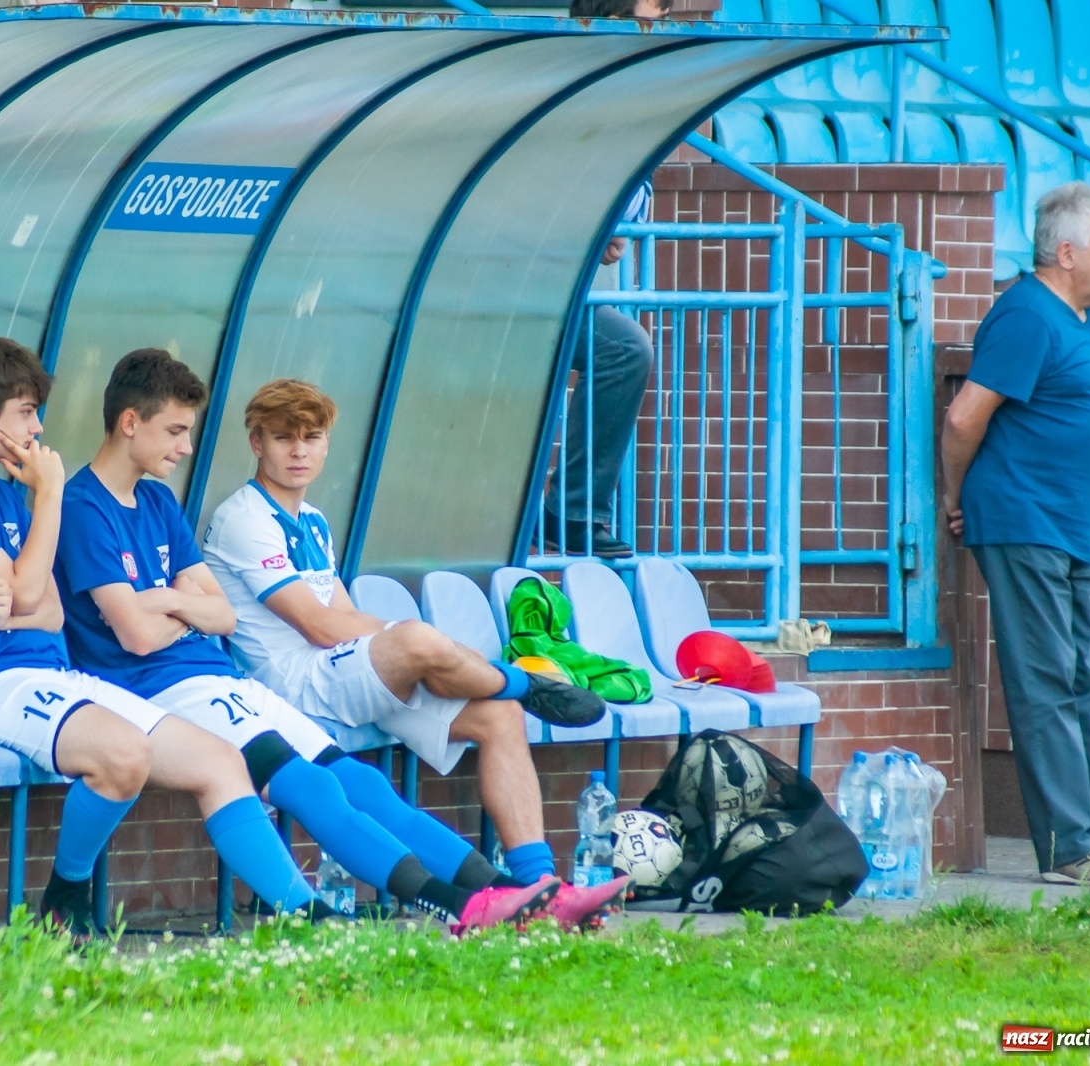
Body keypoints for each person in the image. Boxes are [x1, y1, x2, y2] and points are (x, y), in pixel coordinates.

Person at [56, 349, 630, 931]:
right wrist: (187, 608)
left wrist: (171, 602)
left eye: (313, 438)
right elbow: (136, 635)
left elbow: (221, 615)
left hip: (219, 677)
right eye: (176, 431)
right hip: (161, 688)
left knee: (360, 783)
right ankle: (461, 905)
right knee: (311, 784)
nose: (185, 448)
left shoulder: (158, 499)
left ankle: (519, 893)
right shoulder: (84, 506)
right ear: (131, 422)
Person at [0, 336, 332, 937]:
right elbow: (29, 593)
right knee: (123, 754)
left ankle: (305, 915)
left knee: (221, 759)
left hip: (51, 674)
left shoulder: (1, 495)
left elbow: (48, 612)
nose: (38, 429)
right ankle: (64, 901)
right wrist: (48, 497)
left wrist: (16, 602)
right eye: (27, 412)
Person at [204, 378, 609, 897]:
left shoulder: (313, 520)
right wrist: (412, 643)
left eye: (312, 437)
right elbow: (319, 626)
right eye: (283, 438)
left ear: (327, 444)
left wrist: (422, 650)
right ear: (256, 443)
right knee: (417, 640)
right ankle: (525, 684)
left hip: (339, 674)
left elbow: (343, 613)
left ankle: (540, 886)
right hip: (292, 686)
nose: (299, 451)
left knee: (498, 716)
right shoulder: (244, 518)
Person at [941, 182, 1090, 889]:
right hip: (1025, 523)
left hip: (1064, 533)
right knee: (1045, 683)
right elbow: (964, 417)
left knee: (1078, 680)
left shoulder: (1076, 316)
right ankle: (1069, 850)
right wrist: (955, 495)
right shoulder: (1027, 315)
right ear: (1066, 254)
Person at [542, 0, 671, 558]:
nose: (656, 35)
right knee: (622, 347)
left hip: (555, 284)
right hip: (499, 282)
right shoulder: (563, 81)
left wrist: (612, 227)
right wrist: (592, 229)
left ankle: (570, 513)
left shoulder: (639, 93)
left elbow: (630, 190)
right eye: (647, 22)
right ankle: (561, 513)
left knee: (624, 348)